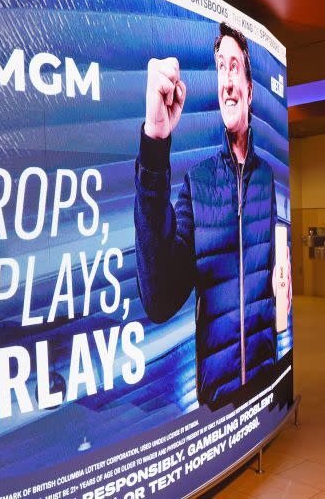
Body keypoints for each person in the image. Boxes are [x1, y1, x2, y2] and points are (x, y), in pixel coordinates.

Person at [134, 22, 277, 405]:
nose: (226, 81)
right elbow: (159, 299)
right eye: (220, 67)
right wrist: (155, 141)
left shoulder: (266, 180)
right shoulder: (197, 184)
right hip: (219, 403)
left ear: (249, 88)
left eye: (234, 67)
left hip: (266, 385)